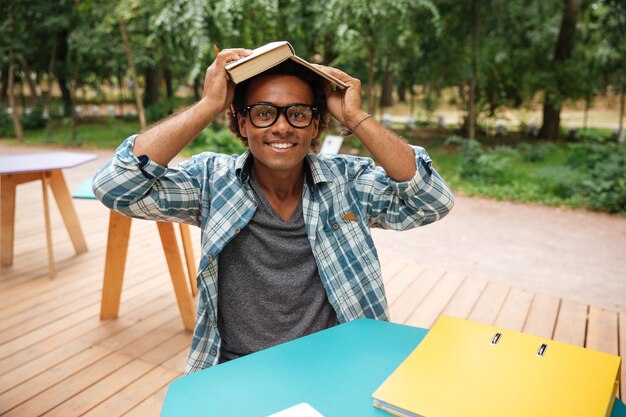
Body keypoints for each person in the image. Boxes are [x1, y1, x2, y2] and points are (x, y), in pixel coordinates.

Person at [92, 47, 454, 374]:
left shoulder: (348, 183)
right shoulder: (211, 182)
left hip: (339, 362)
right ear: (243, 123)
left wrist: (356, 117)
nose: (282, 126)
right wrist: (209, 104)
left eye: (297, 114)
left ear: (315, 125)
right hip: (238, 368)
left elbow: (431, 200)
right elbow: (115, 187)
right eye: (264, 113)